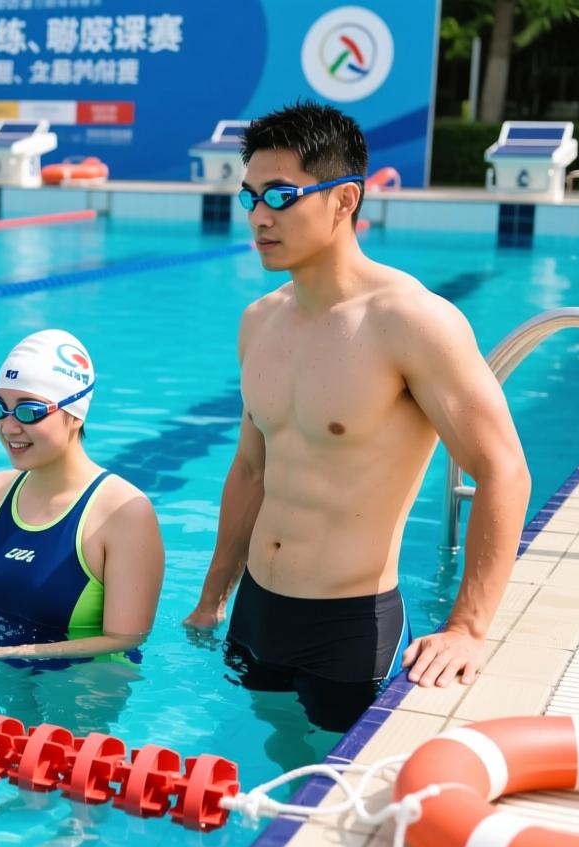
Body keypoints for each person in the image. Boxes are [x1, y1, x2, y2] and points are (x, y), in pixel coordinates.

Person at [183, 101, 531, 732]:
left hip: (347, 626)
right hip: (256, 607)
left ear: (344, 200)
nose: (260, 217)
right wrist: (213, 597)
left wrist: (467, 628)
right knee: (255, 767)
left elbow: (503, 468)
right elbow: (251, 469)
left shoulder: (410, 322)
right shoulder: (260, 321)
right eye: (252, 196)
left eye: (282, 196)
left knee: (326, 795)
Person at [0, 328, 165, 673]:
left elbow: (125, 638)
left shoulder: (124, 512)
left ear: (76, 414)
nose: (8, 427)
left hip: (83, 684)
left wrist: (2, 654)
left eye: (29, 412)